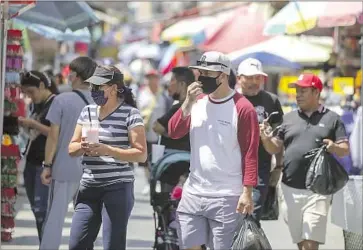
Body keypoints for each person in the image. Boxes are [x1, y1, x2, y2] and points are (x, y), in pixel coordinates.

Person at [168, 51, 259, 249]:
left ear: (223, 76)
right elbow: (174, 132)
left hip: (226, 196)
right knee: (189, 245)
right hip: (193, 192)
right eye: (199, 73)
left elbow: (250, 152)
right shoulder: (197, 101)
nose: (201, 78)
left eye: (207, 73)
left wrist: (247, 192)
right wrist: (187, 102)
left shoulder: (243, 108)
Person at [260, 73, 350, 250]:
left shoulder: (332, 119)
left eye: (303, 90)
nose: (298, 94)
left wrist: (334, 147)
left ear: (316, 92)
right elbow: (274, 148)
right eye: (297, 91)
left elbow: (345, 149)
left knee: (310, 243)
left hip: (318, 190)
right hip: (289, 188)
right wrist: (265, 138)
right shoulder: (288, 118)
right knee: (301, 242)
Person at [68, 65, 147, 250]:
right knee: (76, 244)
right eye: (92, 86)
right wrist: (82, 146)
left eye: (98, 86)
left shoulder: (130, 114)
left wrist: (107, 150)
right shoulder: (87, 111)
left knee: (113, 245)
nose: (93, 90)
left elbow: (141, 154)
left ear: (114, 88)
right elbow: (71, 148)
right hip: (89, 187)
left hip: (117, 187)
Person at [39, 57, 97, 250]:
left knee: (55, 217)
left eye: (70, 71)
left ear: (76, 76)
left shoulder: (61, 100)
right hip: (90, 171)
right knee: (85, 219)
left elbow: (53, 137)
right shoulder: (99, 103)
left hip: (64, 168)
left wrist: (47, 165)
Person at [236, 58, 284, 226]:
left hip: (259, 172)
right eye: (249, 78)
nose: (254, 82)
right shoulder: (229, 100)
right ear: (239, 78)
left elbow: (279, 140)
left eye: (258, 78)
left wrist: (278, 167)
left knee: (250, 221)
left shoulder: (271, 101)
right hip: (229, 171)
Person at [18, 71, 58, 242]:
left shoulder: (56, 103)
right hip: (31, 161)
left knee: (43, 210)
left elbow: (57, 133)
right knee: (36, 209)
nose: (29, 97)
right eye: (25, 93)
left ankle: (47, 244)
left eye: (31, 92)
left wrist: (34, 124)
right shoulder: (37, 105)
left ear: (42, 86)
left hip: (46, 164)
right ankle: (45, 243)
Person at [137, 69, 172, 195]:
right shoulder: (141, 94)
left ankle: (156, 181)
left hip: (159, 134)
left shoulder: (164, 95)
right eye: (149, 77)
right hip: (144, 132)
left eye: (154, 77)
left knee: (157, 159)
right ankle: (148, 183)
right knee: (145, 160)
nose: (152, 80)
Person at [153, 67, 195, 152]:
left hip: (174, 158)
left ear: (182, 84)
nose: (169, 84)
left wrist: (168, 133)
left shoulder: (179, 107)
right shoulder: (197, 105)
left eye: (172, 80)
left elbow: (157, 126)